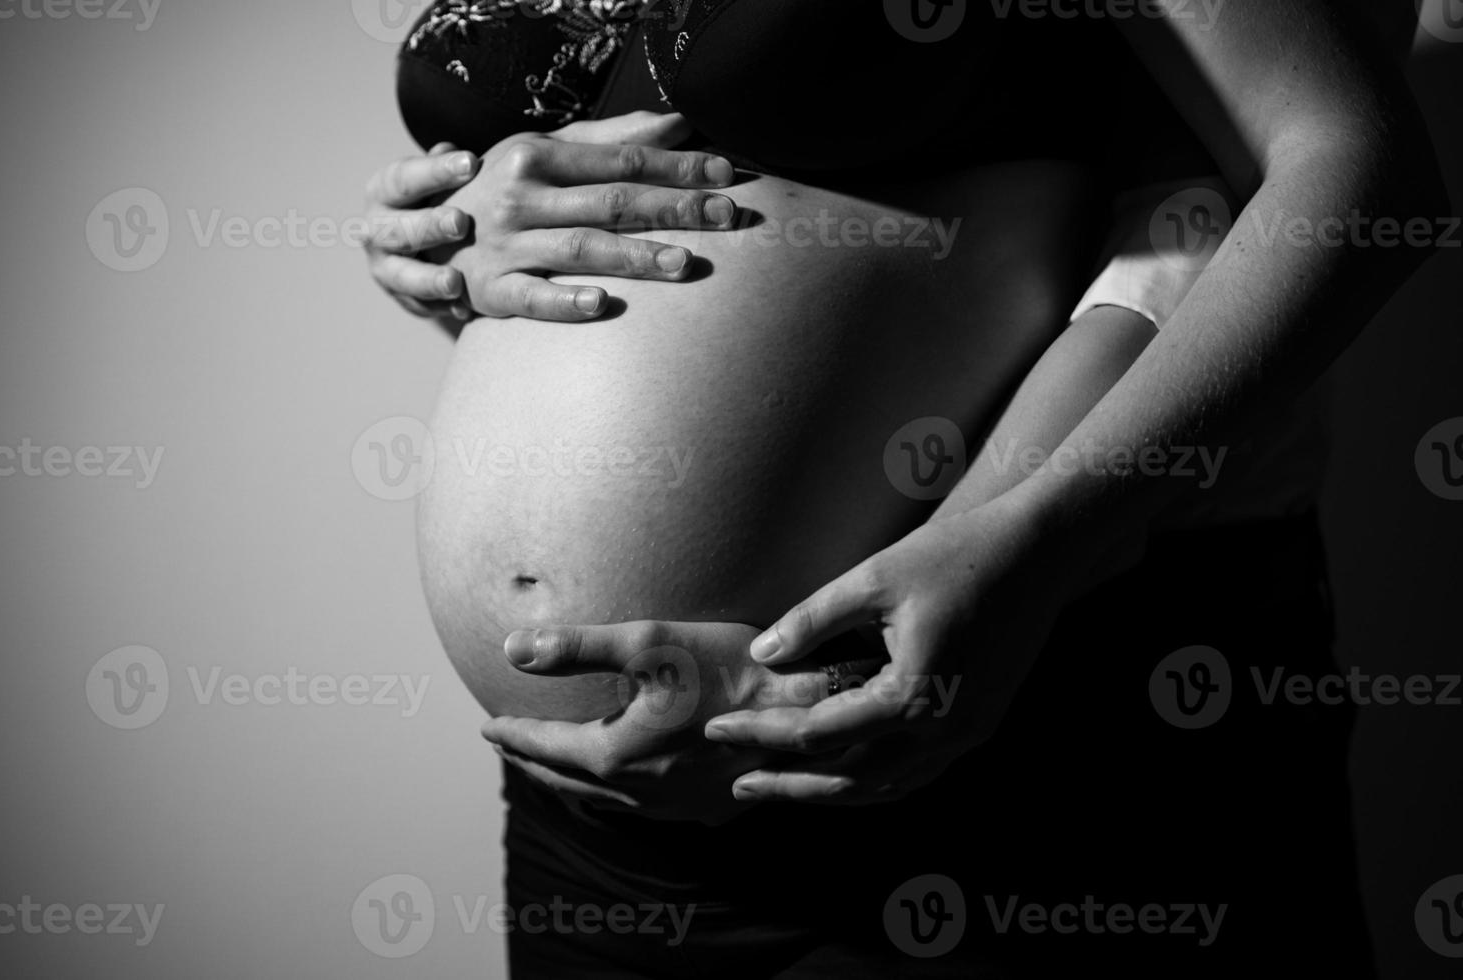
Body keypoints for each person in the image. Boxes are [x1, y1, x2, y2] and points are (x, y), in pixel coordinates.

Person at [361, 1, 1446, 974]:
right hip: (603, 823)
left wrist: (1018, 546)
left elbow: (1328, 165)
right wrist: (456, 220)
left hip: (1025, 719)